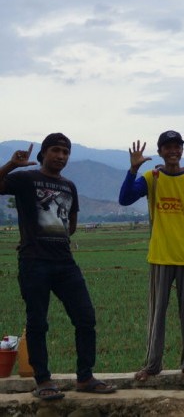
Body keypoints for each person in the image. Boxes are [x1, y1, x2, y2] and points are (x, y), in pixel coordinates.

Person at [0, 134, 116, 400]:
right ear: (43, 153)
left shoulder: (69, 186)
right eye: (55, 150)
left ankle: (85, 377)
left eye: (65, 152)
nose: (61, 156)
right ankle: (43, 380)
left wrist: (55, 234)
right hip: (34, 262)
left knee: (85, 317)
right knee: (38, 322)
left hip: (65, 263)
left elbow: (71, 225)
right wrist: (10, 165)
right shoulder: (25, 179)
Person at [118, 130, 184, 381]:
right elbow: (124, 199)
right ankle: (152, 365)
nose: (173, 151)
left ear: (182, 150)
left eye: (177, 146)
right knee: (157, 314)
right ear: (160, 152)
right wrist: (132, 170)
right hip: (160, 256)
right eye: (167, 147)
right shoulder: (151, 178)